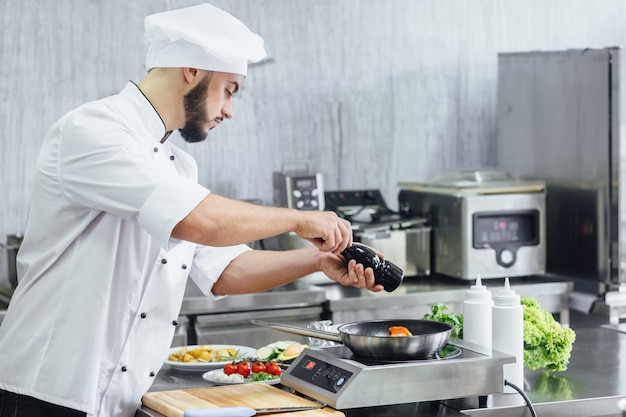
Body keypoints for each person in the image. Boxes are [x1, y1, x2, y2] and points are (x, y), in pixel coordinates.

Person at [0, 4, 384, 417]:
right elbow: (203, 222)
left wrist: (317, 260)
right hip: (46, 394)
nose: (229, 111)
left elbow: (224, 270)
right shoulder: (92, 130)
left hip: (122, 400)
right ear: (192, 70)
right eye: (230, 89)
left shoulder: (178, 166)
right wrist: (299, 218)